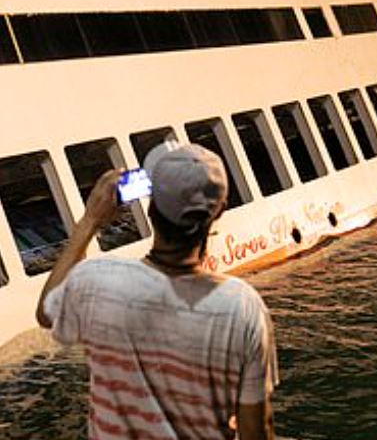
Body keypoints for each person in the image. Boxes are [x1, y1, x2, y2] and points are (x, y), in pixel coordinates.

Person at [36, 142, 278, 440]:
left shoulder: (99, 284)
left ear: (150, 209)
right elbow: (257, 430)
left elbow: (47, 312)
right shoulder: (241, 306)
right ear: (218, 212)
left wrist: (90, 221)